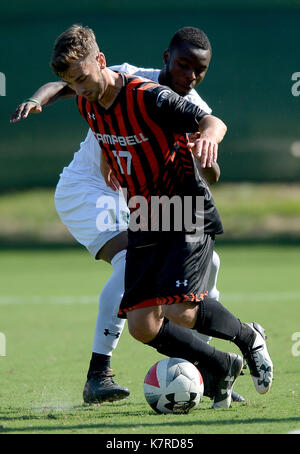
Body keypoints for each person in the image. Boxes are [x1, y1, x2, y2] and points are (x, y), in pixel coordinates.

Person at [47, 24, 273, 409]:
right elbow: (108, 137)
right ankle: (219, 368)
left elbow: (212, 121)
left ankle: (249, 338)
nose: (81, 89)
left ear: (101, 62)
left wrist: (207, 140)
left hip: (184, 207)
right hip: (144, 212)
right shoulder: (88, 103)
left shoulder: (150, 96)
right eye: (73, 83)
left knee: (178, 308)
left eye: (83, 79)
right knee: (142, 325)